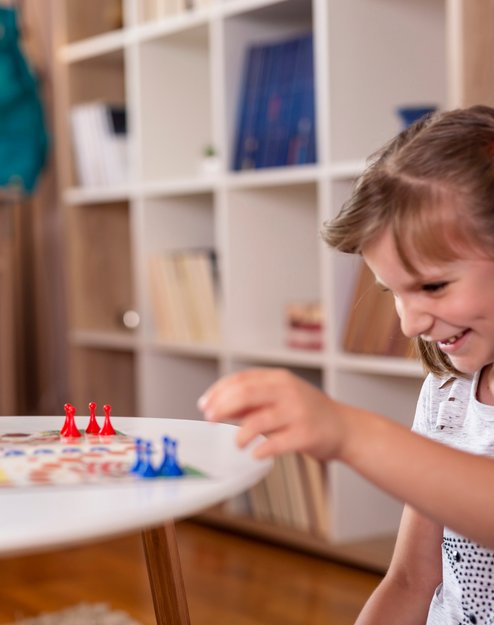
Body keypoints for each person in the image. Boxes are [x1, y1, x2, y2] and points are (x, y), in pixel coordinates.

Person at [198, 105, 494, 625]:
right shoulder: (447, 392)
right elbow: (409, 580)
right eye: (393, 294)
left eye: (432, 286)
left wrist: (349, 433)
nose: (408, 324)